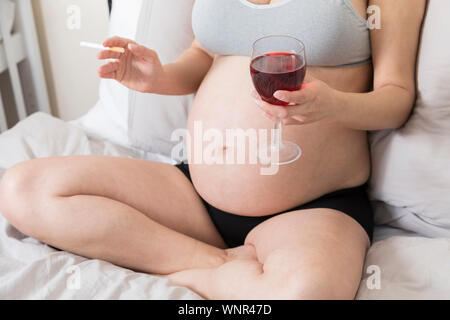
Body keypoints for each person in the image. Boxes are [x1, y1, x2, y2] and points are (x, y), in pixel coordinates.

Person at [0, 0, 426, 299]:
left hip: (311, 207)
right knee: (22, 187)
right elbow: (204, 54)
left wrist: (332, 105)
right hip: (194, 195)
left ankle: (210, 270)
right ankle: (215, 264)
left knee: (304, 293)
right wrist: (158, 77)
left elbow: (396, 98)